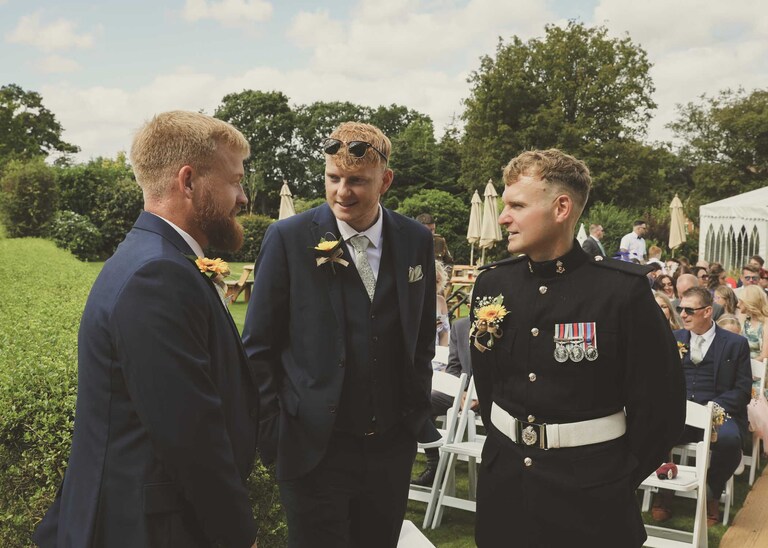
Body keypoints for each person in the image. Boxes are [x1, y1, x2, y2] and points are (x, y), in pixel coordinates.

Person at [33, 111, 260, 548]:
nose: (244, 198)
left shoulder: (152, 257)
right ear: (189, 181)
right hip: (152, 530)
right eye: (235, 181)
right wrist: (239, 535)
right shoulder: (157, 274)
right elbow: (189, 435)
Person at [469, 149, 685, 547]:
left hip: (590, 497)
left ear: (561, 208)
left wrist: (616, 477)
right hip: (506, 487)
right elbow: (489, 381)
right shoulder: (493, 284)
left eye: (517, 205)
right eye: (504, 206)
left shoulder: (621, 291)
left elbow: (662, 406)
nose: (503, 218)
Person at [242, 121, 435, 548]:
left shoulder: (416, 240)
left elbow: (422, 337)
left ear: (385, 180)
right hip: (313, 451)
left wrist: (411, 416)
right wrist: (275, 436)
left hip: (389, 449)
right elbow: (257, 347)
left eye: (357, 181)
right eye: (334, 179)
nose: (342, 193)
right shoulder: (288, 238)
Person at [652, 286, 752, 526]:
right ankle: (665, 489)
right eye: (680, 309)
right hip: (681, 413)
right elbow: (660, 380)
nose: (682, 314)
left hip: (717, 413)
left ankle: (711, 491)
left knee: (730, 441)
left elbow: (742, 391)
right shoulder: (674, 339)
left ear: (707, 311)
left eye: (689, 310)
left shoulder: (735, 344)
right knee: (653, 431)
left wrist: (712, 407)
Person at [411, 316, 473, 487]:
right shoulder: (460, 326)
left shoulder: (500, 323)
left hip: (489, 396)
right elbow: (454, 367)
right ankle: (434, 463)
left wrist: (477, 396)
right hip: (459, 393)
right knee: (419, 402)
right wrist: (459, 391)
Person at [737, 285, 768, 361]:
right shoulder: (744, 319)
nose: (738, 304)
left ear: (749, 302)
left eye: (740, 301)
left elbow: (765, 356)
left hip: (759, 368)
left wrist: (742, 366)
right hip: (744, 366)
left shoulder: (765, 323)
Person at [435, 260, 450, 349]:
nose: (435, 285)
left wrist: (442, 352)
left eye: (437, 281)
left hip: (437, 353)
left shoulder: (440, 301)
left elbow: (444, 332)